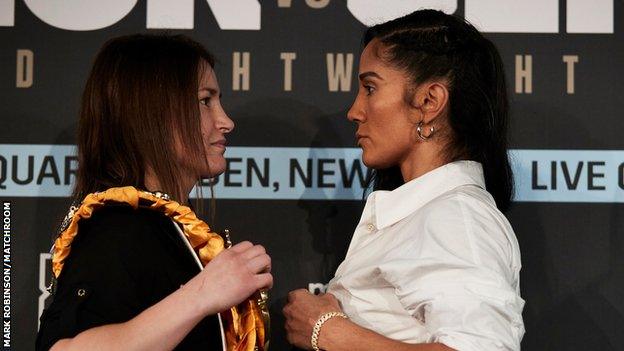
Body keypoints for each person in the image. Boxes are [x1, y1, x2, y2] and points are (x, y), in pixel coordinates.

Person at [283, 9, 524, 351]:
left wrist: (327, 331)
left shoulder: (457, 218)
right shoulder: (430, 215)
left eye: (370, 87)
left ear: (429, 101)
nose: (354, 111)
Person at [36, 34, 272, 351]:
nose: (225, 121)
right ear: (151, 112)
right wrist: (203, 292)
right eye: (205, 101)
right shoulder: (119, 227)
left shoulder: (165, 227)